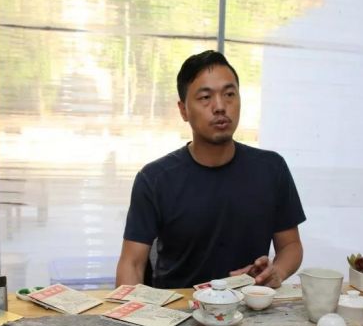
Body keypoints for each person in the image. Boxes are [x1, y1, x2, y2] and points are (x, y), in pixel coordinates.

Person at [116, 50, 306, 289]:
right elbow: (132, 264)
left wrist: (277, 272)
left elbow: (291, 245)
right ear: (183, 110)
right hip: (178, 305)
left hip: (247, 302)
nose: (220, 106)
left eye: (229, 94)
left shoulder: (271, 168)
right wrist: (128, 308)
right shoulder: (155, 179)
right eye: (205, 97)